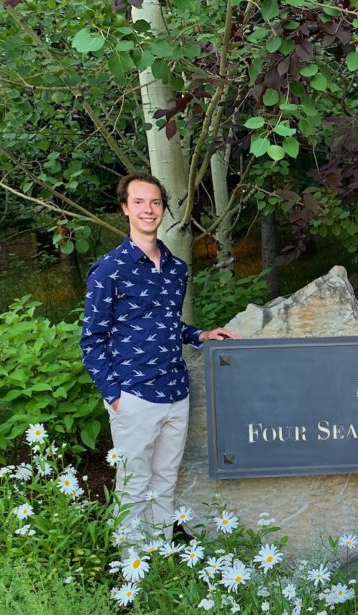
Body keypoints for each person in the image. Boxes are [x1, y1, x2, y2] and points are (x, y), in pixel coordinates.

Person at [80, 172, 239, 536]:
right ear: (125, 208)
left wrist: (199, 334)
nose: (148, 210)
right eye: (139, 202)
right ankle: (131, 577)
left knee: (165, 482)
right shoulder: (108, 270)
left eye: (155, 202)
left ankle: (158, 565)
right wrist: (114, 397)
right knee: (133, 487)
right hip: (134, 394)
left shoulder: (176, 269)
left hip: (175, 392)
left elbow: (164, 323)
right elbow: (92, 339)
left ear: (163, 208)